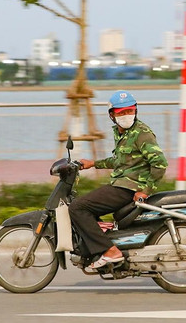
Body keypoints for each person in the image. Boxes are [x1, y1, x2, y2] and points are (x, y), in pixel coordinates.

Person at [68, 90, 168, 269]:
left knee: (77, 207)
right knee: (88, 206)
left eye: (129, 111)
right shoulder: (122, 133)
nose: (126, 115)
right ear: (112, 115)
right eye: (121, 112)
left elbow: (160, 163)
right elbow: (120, 161)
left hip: (128, 188)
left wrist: (145, 191)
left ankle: (110, 251)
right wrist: (93, 163)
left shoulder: (141, 133)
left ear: (135, 111)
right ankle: (102, 247)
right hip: (121, 183)